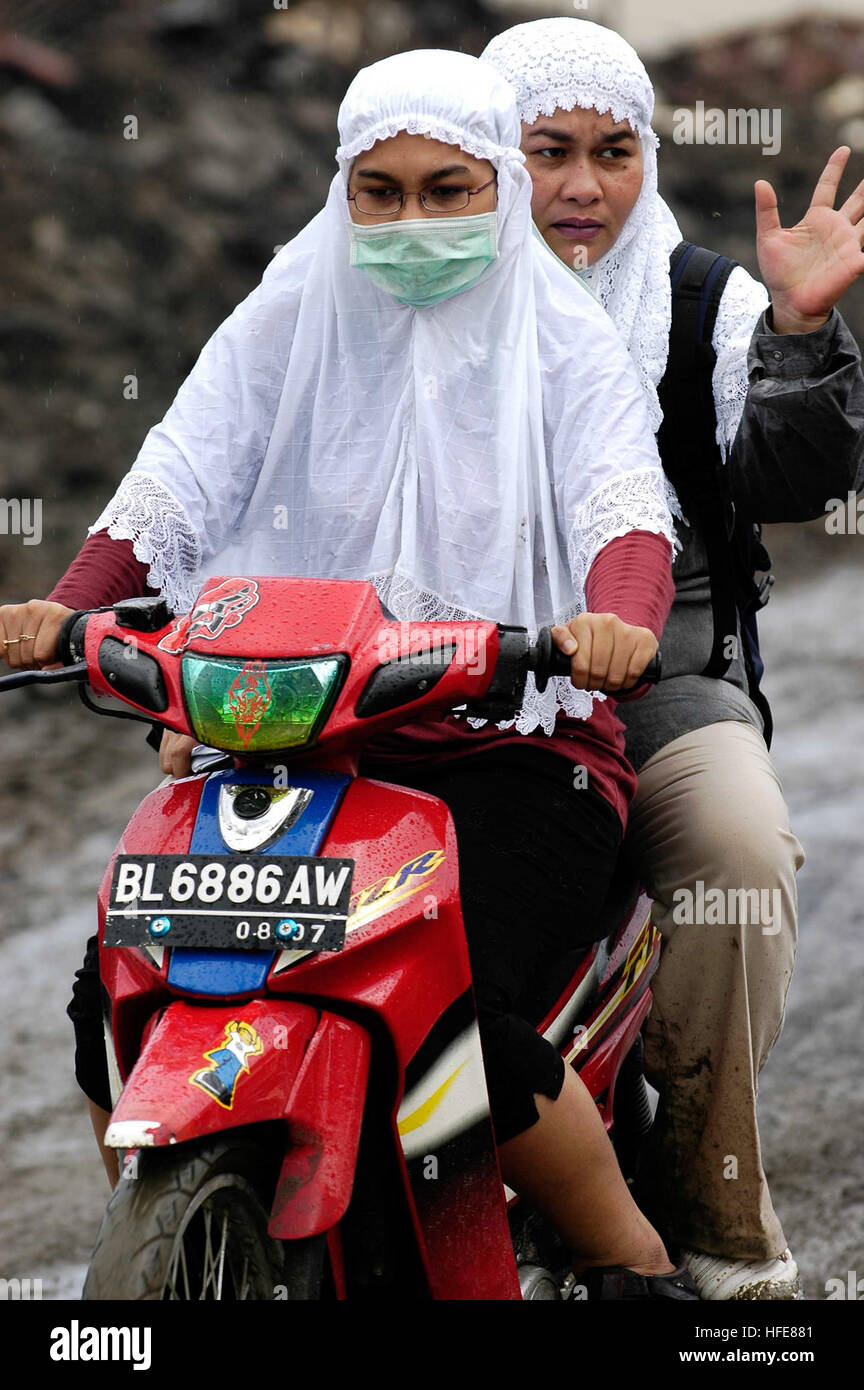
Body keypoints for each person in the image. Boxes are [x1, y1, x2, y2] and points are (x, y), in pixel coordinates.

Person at [0, 50, 700, 1298]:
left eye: (447, 188)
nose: (410, 219)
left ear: (497, 186)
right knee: (125, 972)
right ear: (344, 189)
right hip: (298, 731)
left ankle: (627, 1256)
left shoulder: (563, 338)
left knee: (455, 1023)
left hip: (513, 736)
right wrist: (67, 607)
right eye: (379, 191)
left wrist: (618, 620)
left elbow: (622, 510)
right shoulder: (292, 303)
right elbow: (180, 473)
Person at [482, 16, 864, 1300]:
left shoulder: (702, 301)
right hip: (433, 696)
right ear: (489, 152)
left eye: (614, 151)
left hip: (661, 682)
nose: (584, 185)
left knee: (736, 853)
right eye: (547, 151)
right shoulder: (403, 296)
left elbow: (786, 481)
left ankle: (713, 1212)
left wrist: (802, 341)